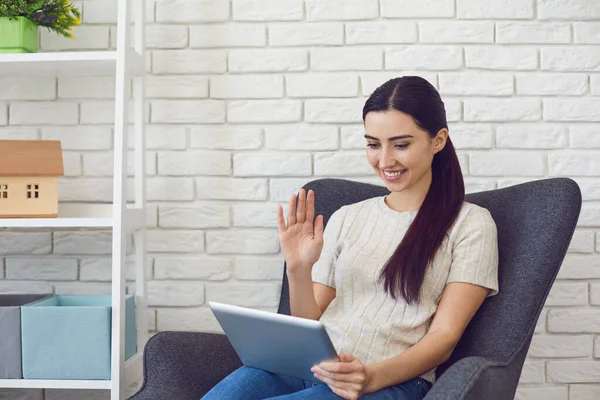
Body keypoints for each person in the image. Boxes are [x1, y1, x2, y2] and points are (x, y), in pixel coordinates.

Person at [201, 76, 499, 400]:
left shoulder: (470, 225)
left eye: (401, 144)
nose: (385, 161)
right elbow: (308, 324)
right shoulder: (348, 217)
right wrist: (298, 268)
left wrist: (370, 377)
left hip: (388, 382)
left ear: (438, 140)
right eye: (373, 144)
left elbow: (444, 339)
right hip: (308, 368)